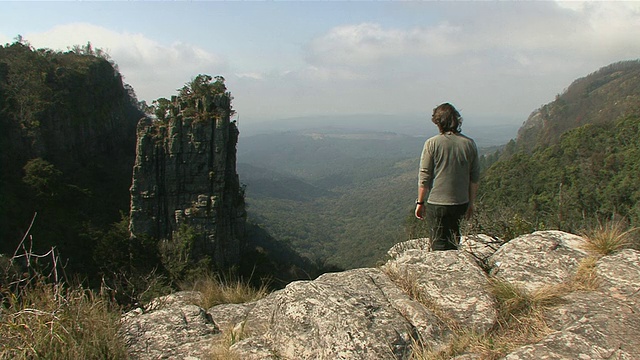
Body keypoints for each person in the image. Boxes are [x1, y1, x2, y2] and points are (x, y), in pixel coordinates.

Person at [415, 103, 480, 251]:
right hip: (461, 203)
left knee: (438, 246)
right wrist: (471, 204)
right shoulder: (469, 144)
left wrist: (420, 202)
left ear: (438, 122)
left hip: (437, 203)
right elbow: (474, 178)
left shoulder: (432, 144)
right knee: (454, 243)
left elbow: (425, 176)